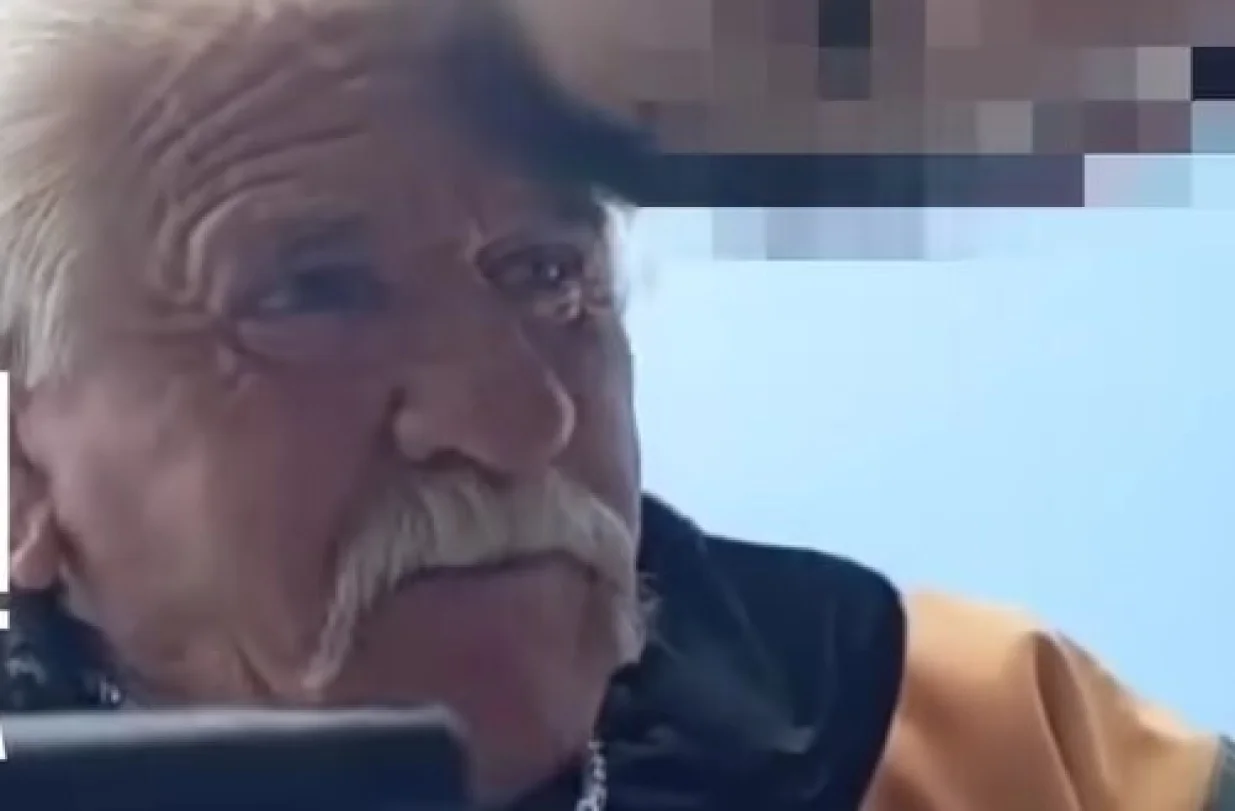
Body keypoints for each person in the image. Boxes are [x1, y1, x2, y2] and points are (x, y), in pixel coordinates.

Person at [0, 1, 1227, 810]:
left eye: (546, 273)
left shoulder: (980, 743)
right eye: (314, 295)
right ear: (22, 461)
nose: (517, 419)